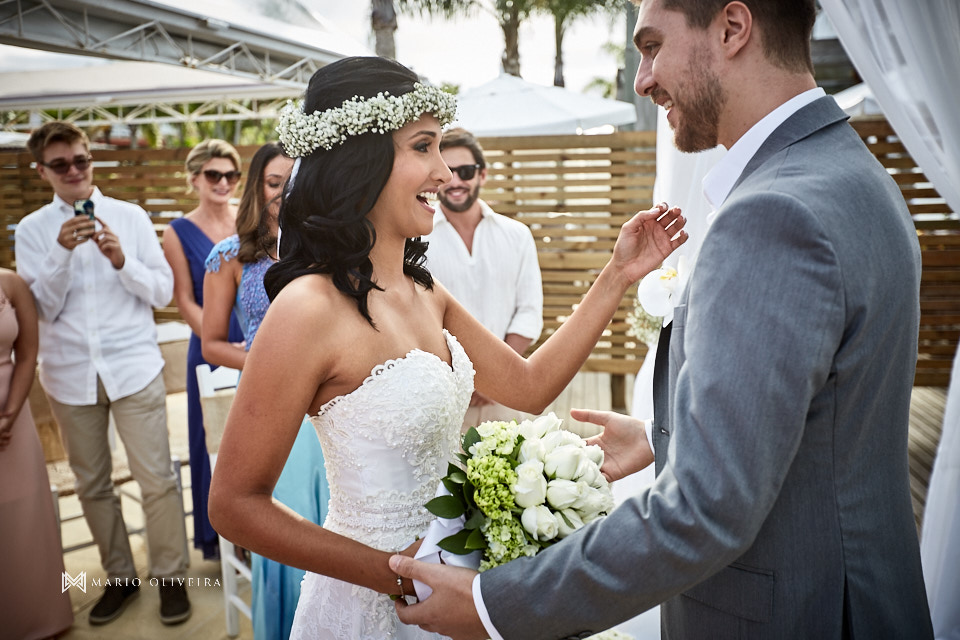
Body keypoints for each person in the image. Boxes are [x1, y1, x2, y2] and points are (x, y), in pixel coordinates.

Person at [389, 1, 935, 638]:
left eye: (651, 46)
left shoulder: (774, 213)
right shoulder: (852, 173)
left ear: (732, 28)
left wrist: (495, 604)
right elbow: (830, 420)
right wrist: (666, 438)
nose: (643, 78)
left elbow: (709, 509)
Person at [206, 56, 685, 640]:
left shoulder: (424, 289)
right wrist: (401, 575)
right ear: (363, 159)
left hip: (462, 583)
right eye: (424, 147)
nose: (445, 172)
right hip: (374, 605)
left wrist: (616, 275)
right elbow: (234, 505)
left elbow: (529, 387)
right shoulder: (307, 308)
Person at [15, 121, 191, 626]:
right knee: (92, 485)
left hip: (133, 366)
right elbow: (40, 310)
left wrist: (121, 261)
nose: (74, 171)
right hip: (69, 375)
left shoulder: (130, 217)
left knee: (156, 479)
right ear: (43, 171)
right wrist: (60, 254)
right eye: (61, 165)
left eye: (81, 161)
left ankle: (172, 579)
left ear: (92, 160)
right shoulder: (31, 232)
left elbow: (161, 293)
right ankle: (120, 579)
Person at [202, 141, 329, 640]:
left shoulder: (322, 251)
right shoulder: (228, 256)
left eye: (294, 185)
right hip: (270, 407)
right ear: (257, 187)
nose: (284, 195)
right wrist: (269, 364)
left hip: (328, 404)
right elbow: (212, 343)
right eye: (275, 184)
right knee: (291, 521)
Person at [422, 127, 543, 427]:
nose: (456, 181)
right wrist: (464, 377)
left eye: (465, 171)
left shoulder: (517, 236)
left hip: (504, 398)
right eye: (447, 172)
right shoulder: (413, 240)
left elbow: (528, 312)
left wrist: (495, 376)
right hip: (439, 397)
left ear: (482, 175)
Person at [162, 138, 244, 561]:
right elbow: (184, 299)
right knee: (209, 439)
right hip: (209, 347)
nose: (224, 182)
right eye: (214, 174)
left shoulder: (247, 222)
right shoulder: (176, 232)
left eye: (232, 174)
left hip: (257, 339)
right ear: (194, 178)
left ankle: (255, 535)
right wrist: (219, 341)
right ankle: (217, 539)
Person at [0, 267, 74, 639]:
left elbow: (28, 354)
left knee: (24, 517)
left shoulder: (9, 283)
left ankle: (40, 618)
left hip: (12, 423)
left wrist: (8, 416)